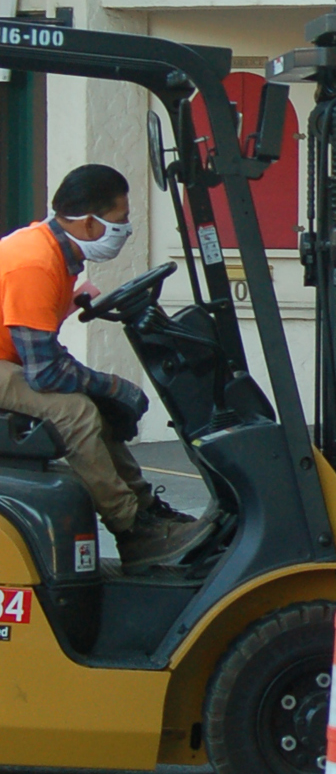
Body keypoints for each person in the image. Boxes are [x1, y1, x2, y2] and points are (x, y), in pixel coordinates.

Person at [0, 165, 206, 567]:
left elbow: (43, 355)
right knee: (75, 412)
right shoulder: (34, 262)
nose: (125, 229)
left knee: (93, 404)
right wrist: (114, 388)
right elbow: (44, 373)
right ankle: (131, 530)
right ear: (91, 224)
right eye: (121, 220)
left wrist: (103, 392)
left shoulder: (55, 254)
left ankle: (144, 510)